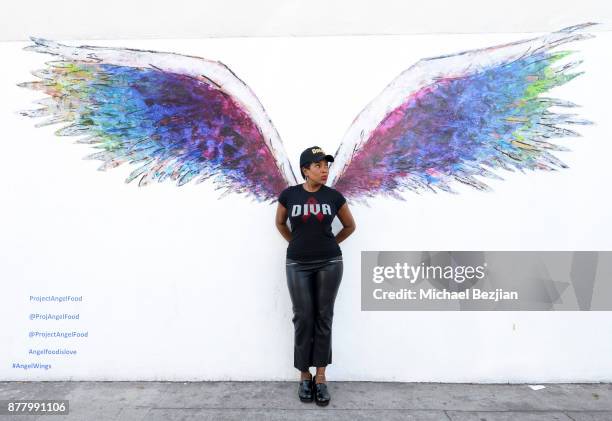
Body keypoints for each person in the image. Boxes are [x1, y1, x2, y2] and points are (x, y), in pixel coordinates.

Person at [275, 146, 356, 406]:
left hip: (330, 262)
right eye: (318, 165)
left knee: (324, 316)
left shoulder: (334, 197)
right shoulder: (289, 195)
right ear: (305, 170)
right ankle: (303, 375)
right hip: (297, 263)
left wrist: (331, 243)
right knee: (303, 317)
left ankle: (320, 377)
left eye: (326, 165)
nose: (324, 170)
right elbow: (279, 223)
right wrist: (295, 242)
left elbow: (350, 226)